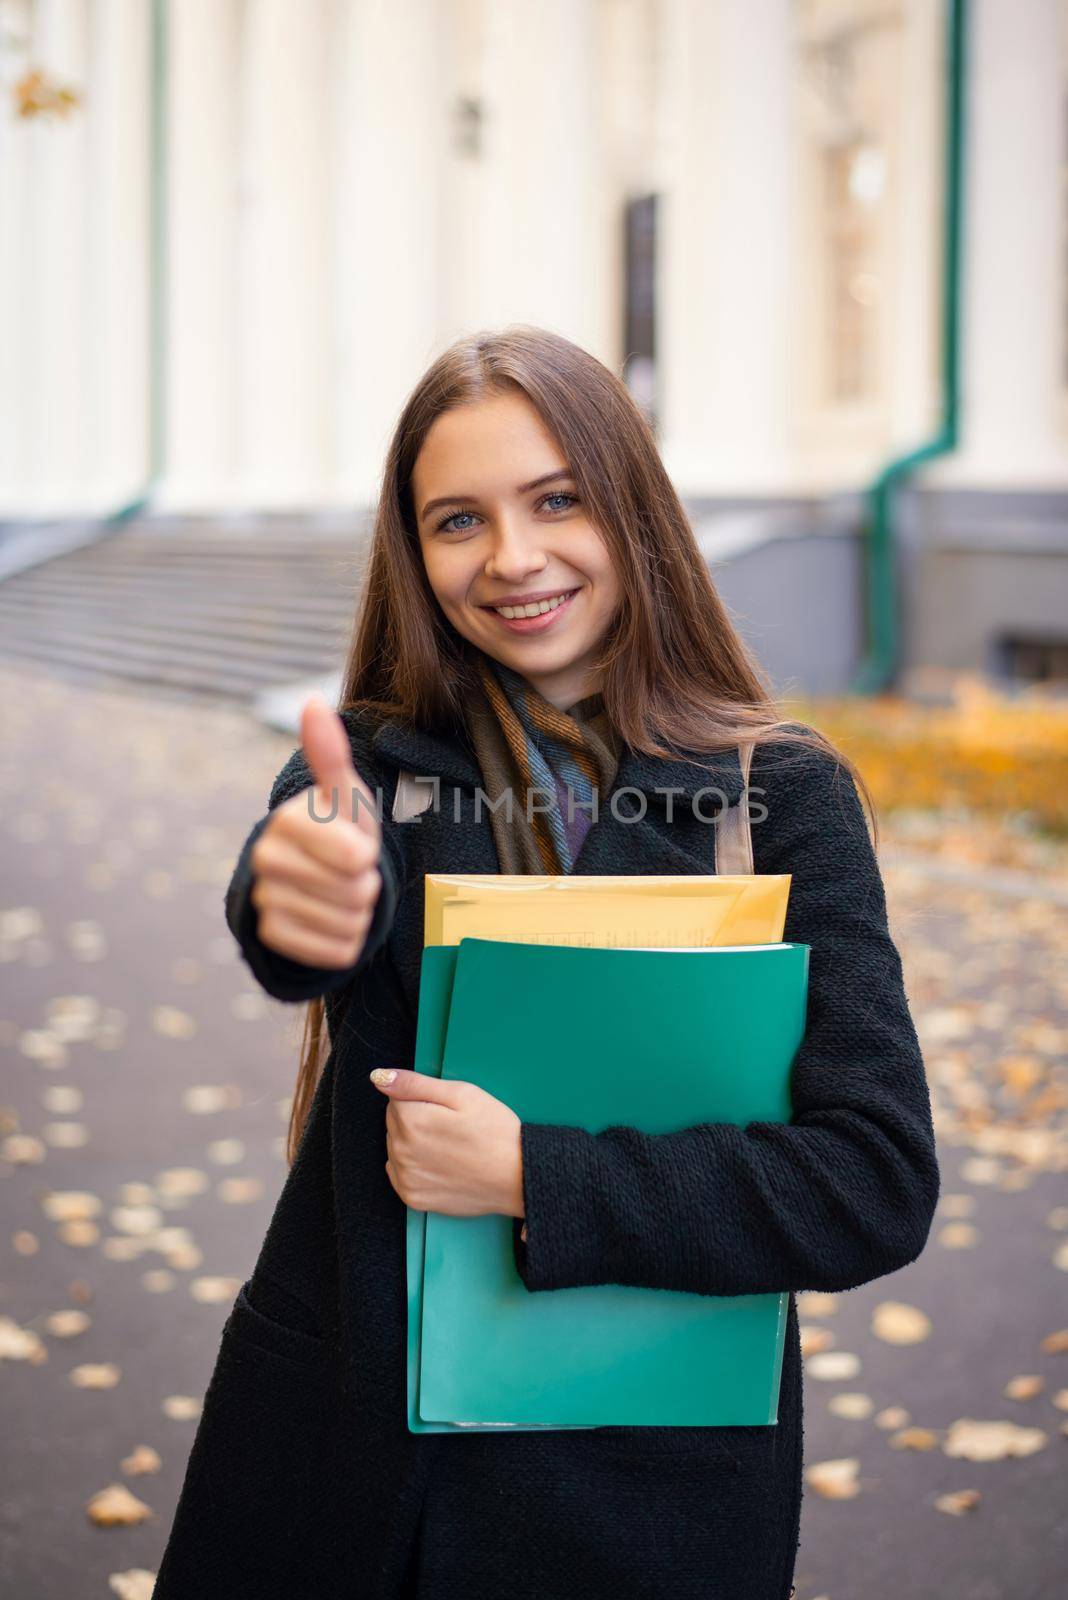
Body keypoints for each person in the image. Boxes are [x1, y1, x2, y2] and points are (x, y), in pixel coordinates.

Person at [152, 326, 940, 1600]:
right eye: (457, 520)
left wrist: (535, 1174)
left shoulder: (777, 798)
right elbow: (313, 909)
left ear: (631, 509)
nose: (512, 558)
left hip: (646, 1504)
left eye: (556, 499)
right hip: (338, 1473)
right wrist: (295, 898)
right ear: (414, 554)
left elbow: (873, 1182)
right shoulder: (373, 776)